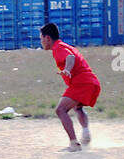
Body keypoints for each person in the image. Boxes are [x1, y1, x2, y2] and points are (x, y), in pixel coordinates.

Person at [40, 22, 100, 152]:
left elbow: (70, 57)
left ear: (48, 38)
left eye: (41, 38)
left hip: (82, 83)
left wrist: (67, 69)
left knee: (60, 110)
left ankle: (74, 144)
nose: (41, 41)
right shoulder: (64, 45)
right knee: (77, 107)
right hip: (92, 82)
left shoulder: (58, 48)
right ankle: (85, 134)